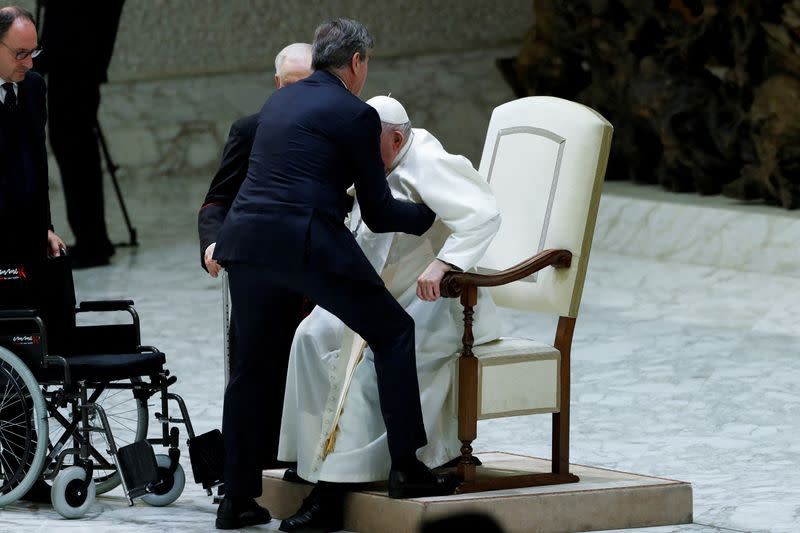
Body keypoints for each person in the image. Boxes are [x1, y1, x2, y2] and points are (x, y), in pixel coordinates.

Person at [212, 18, 455, 531]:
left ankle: (236, 500)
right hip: (305, 241)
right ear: (358, 63)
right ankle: (407, 466)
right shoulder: (356, 114)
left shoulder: (279, 103)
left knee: (250, 369)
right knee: (393, 331)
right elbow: (381, 211)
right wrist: (428, 215)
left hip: (246, 243)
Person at [278, 96, 501, 486]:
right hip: (373, 289)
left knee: (372, 367)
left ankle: (352, 475)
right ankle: (310, 459)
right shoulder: (374, 158)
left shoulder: (431, 164)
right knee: (309, 335)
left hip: (431, 302)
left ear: (396, 140)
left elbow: (484, 215)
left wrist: (445, 262)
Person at [197, 42, 313, 472]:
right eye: (292, 86)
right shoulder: (250, 129)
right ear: (277, 84)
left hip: (313, 276)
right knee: (252, 376)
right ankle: (244, 472)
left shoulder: (331, 128)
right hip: (260, 274)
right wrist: (213, 242)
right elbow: (216, 202)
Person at [0, 4, 66, 495]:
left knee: (41, 338)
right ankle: (18, 463)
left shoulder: (34, 86)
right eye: (19, 53)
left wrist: (44, 225)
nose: (29, 61)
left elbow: (34, 162)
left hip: (27, 234)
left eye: (33, 51)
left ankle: (36, 458)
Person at [35, 0, 125, 268]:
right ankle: (92, 239)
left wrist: (38, 58)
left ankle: (92, 242)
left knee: (74, 149)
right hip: (78, 63)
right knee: (74, 147)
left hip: (75, 63)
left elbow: (69, 20)